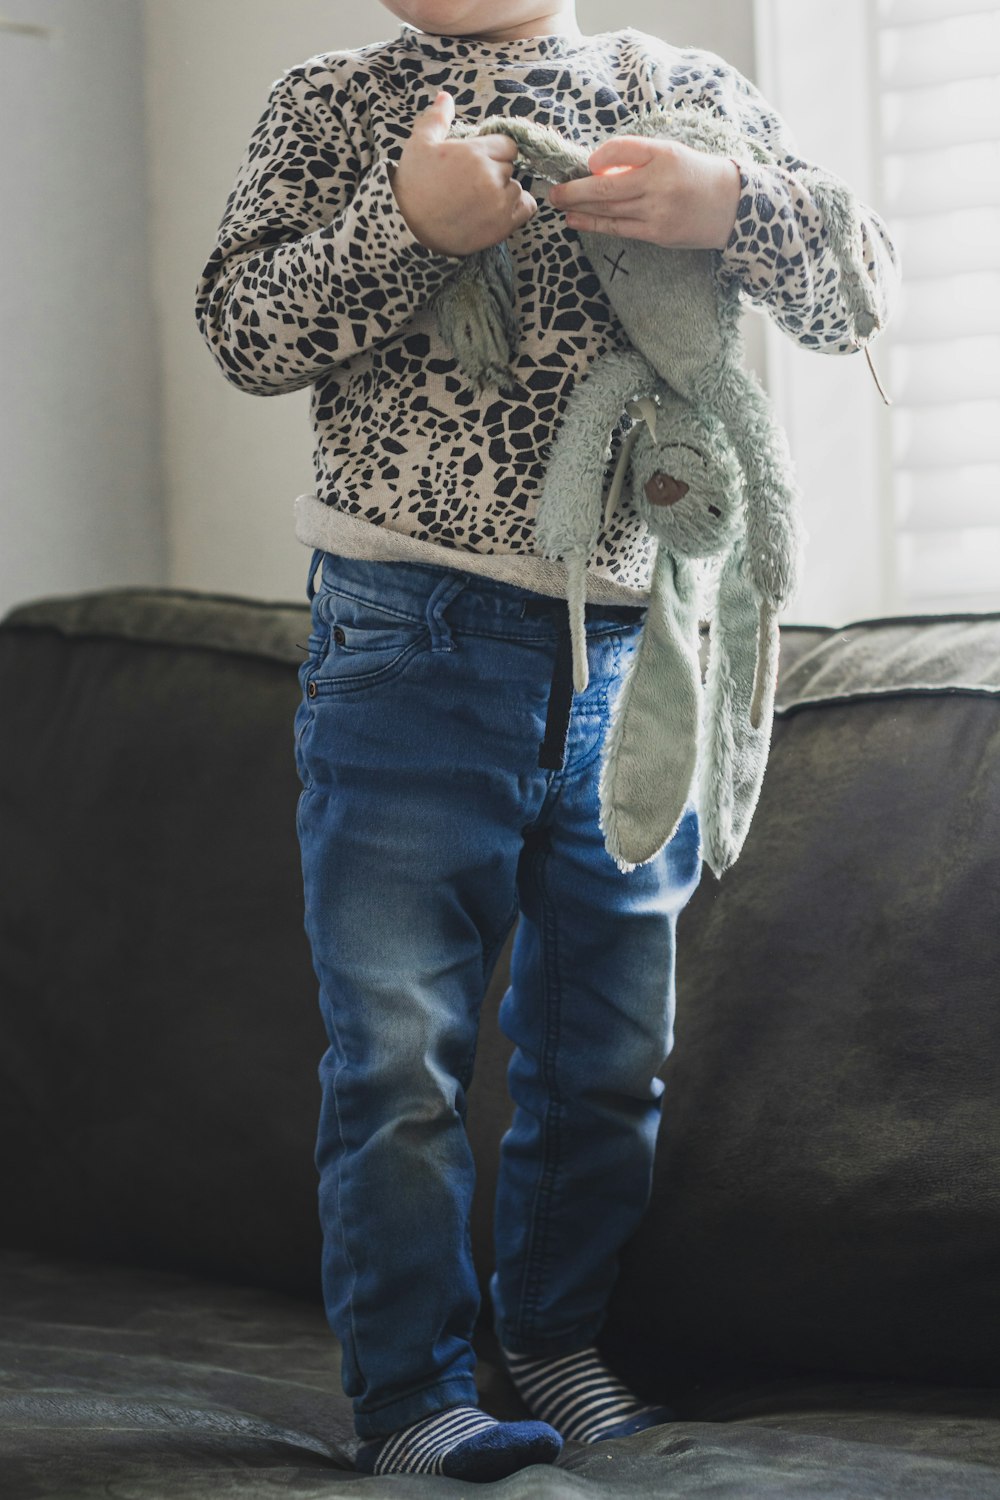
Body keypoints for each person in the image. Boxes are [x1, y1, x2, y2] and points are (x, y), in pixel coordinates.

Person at [195, 0, 900, 1481]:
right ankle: (411, 1396)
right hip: (403, 646)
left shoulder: (679, 88)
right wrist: (408, 224)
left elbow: (852, 292)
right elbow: (242, 330)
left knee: (607, 1057)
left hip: (633, 663)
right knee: (396, 1055)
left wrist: (730, 205)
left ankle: (558, 1339)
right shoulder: (333, 103)